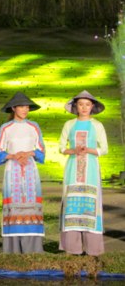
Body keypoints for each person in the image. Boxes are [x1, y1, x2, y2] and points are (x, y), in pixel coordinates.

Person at [0, 92, 45, 253]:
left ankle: (34, 249)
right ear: (13, 108)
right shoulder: (6, 128)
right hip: (13, 170)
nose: (25, 110)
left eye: (27, 107)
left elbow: (41, 151)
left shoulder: (34, 126)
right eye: (21, 107)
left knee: (32, 205)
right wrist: (14, 156)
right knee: (13, 206)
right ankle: (12, 249)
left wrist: (28, 153)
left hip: (30, 170)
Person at [59, 90, 108, 256]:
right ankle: (72, 248)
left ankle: (93, 249)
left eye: (87, 104)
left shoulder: (97, 125)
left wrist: (89, 150)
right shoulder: (69, 124)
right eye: (81, 104)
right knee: (71, 203)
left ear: (92, 106)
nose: (84, 107)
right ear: (76, 106)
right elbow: (61, 148)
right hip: (73, 168)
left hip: (91, 169)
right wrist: (73, 150)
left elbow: (104, 149)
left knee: (91, 204)